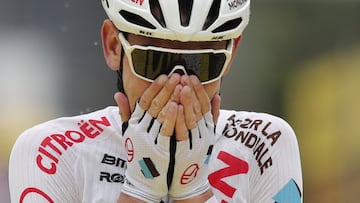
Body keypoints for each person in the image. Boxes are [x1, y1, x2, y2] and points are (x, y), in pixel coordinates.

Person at [9, 0, 303, 202]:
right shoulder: (50, 152)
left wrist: (193, 189)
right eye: (154, 60)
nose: (178, 85)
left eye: (201, 65)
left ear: (231, 56)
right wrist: (141, 187)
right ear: (113, 46)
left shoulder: (265, 143)